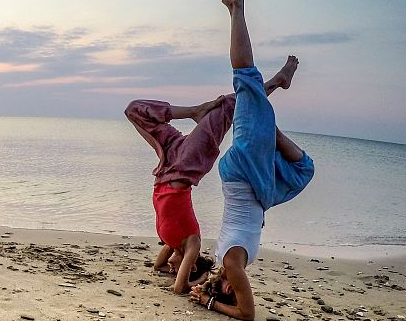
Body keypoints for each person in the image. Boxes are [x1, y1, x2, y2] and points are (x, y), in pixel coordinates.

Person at [188, 0, 315, 320]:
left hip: (246, 172)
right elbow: (246, 311)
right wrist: (211, 298)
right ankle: (271, 106)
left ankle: (237, 7)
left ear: (224, 283)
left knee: (245, 80)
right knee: (305, 168)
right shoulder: (233, 262)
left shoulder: (231, 261)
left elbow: (245, 313)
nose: (238, 287)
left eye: (230, 288)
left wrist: (209, 300)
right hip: (253, 178)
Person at [125, 48, 297, 295]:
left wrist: (178, 266)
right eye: (179, 269)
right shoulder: (192, 244)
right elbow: (180, 288)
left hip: (167, 160)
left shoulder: (173, 243)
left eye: (174, 269)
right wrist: (201, 278)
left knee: (133, 111)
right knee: (227, 107)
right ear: (191, 264)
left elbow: (159, 268)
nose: (171, 270)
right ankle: (271, 84)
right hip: (187, 163)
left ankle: (202, 109)